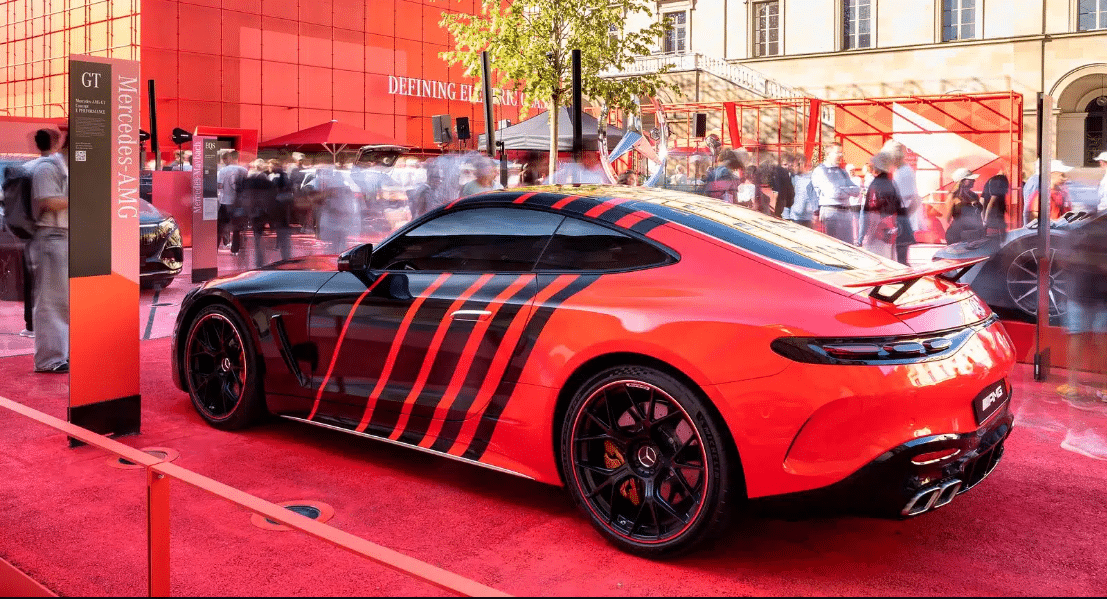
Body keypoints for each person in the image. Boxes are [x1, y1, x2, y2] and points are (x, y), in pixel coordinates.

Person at [24, 128, 68, 373]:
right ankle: (48, 359)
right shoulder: (47, 168)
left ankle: (59, 354)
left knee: (60, 299)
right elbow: (47, 201)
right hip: (50, 236)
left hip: (60, 237)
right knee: (50, 301)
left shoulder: (57, 167)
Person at [1056, 213, 1107, 404]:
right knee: (1103, 340)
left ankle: (1073, 385)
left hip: (1080, 290)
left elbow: (1063, 260)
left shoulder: (1079, 229)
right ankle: (1105, 388)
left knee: (1077, 337)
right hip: (1103, 294)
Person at [857, 152, 903, 259]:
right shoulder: (892, 183)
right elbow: (898, 206)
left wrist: (863, 235)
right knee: (891, 260)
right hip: (891, 228)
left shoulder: (875, 184)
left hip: (878, 230)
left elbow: (868, 211)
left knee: (879, 261)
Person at [811, 142, 860, 244]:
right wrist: (847, 190)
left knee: (848, 246)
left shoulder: (842, 172)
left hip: (846, 212)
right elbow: (832, 193)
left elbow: (856, 190)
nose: (840, 155)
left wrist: (841, 189)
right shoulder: (821, 171)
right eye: (837, 152)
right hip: (831, 212)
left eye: (841, 153)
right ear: (828, 154)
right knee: (833, 246)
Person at [881, 140, 919, 264]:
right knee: (897, 258)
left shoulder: (903, 173)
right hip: (898, 219)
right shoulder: (901, 171)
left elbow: (913, 199)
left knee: (899, 259)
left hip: (898, 219)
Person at [217, 149, 247, 252]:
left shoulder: (223, 171)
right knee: (236, 229)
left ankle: (214, 249)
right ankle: (235, 250)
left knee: (220, 227)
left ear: (230, 158)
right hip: (238, 203)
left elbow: (219, 185)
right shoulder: (244, 170)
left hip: (225, 202)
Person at [945, 168, 985, 244]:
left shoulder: (974, 195)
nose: (974, 181)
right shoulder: (953, 196)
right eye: (970, 179)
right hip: (957, 235)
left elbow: (978, 216)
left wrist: (981, 230)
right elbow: (948, 218)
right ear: (962, 181)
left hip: (972, 234)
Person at [785, 156, 816, 228]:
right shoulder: (794, 178)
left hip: (807, 219)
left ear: (802, 165)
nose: (793, 168)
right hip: (794, 217)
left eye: (795, 165)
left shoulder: (812, 179)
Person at [981, 171, 1010, 238]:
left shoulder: (989, 180)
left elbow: (982, 201)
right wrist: (985, 221)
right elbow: (992, 202)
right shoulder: (1001, 180)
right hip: (996, 221)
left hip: (989, 222)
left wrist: (983, 221)